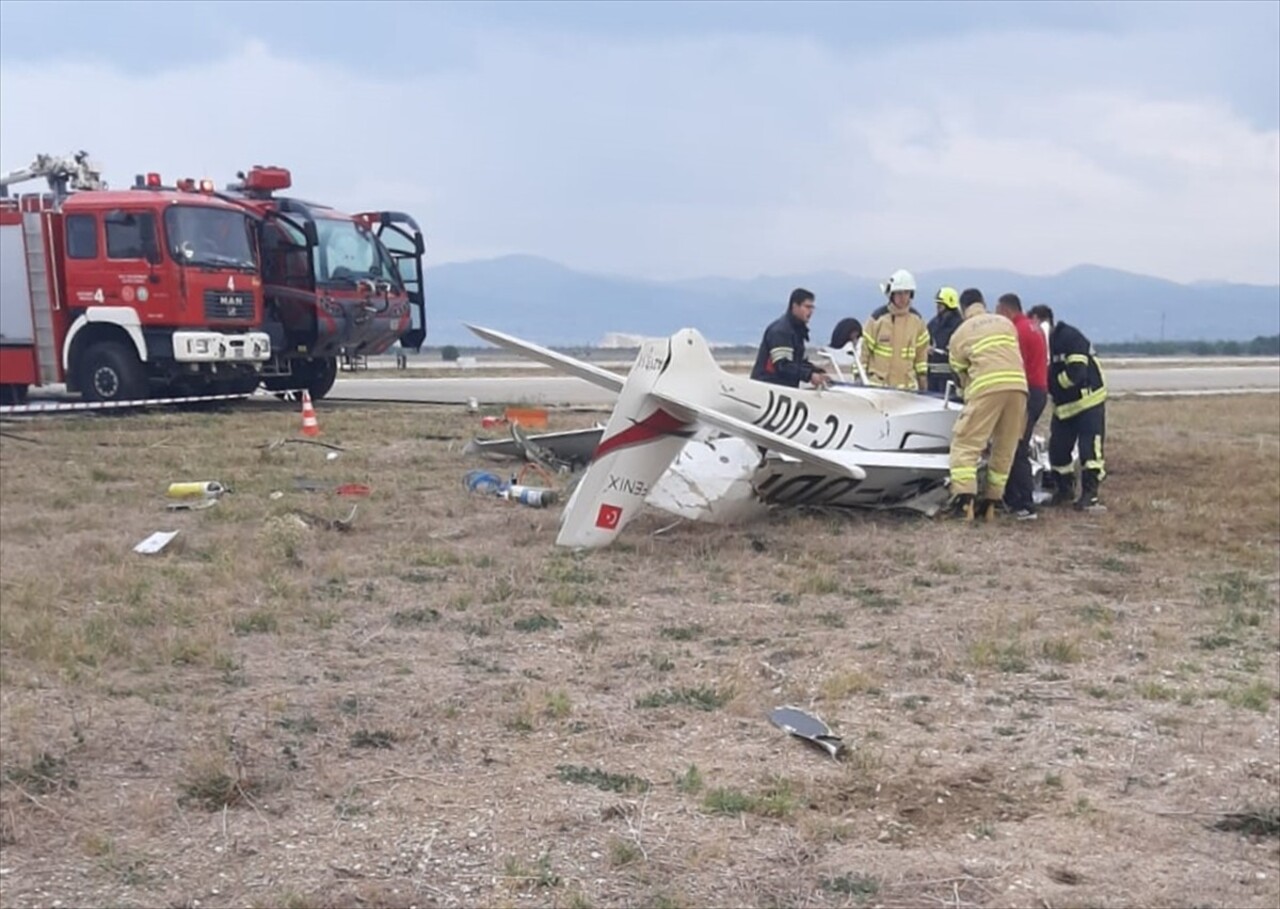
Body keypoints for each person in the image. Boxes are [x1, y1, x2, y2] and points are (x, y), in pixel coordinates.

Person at [943, 289, 1029, 522]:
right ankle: (991, 504)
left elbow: (959, 372)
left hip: (986, 388)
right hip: (1019, 388)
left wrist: (967, 394)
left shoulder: (961, 333)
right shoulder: (1004, 323)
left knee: (965, 444)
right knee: (1004, 448)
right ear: (983, 303)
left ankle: (964, 505)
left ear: (963, 309)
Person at [1028, 305, 1107, 512]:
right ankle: (1064, 491)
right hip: (1064, 407)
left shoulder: (1070, 337)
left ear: (1041, 320)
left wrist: (1051, 384)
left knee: (1089, 450)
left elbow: (1077, 373)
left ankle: (1090, 495)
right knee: (1058, 451)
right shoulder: (1044, 343)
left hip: (1088, 402)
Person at [996, 293, 1048, 520]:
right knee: (1018, 443)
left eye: (999, 314)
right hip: (1039, 390)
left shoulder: (1015, 332)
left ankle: (1024, 503)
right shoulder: (1034, 327)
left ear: (1007, 311)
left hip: (1027, 392)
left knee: (1017, 446)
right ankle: (1014, 497)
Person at [860, 269, 930, 391]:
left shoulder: (917, 321)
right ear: (892, 295)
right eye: (899, 293)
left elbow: (921, 356)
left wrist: (923, 380)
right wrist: (859, 377)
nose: (903, 297)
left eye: (906, 293)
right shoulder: (878, 319)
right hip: (879, 388)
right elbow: (864, 351)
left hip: (907, 390)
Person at [750, 288, 831, 389]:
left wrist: (815, 371)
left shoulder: (797, 331)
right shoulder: (781, 331)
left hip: (784, 388)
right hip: (768, 386)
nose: (811, 311)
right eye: (807, 307)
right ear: (795, 306)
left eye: (812, 308)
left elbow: (797, 362)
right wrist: (809, 375)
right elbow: (783, 365)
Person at [926, 286, 963, 394]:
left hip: (950, 378)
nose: (937, 307)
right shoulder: (933, 324)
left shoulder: (959, 325)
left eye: (940, 304)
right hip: (932, 377)